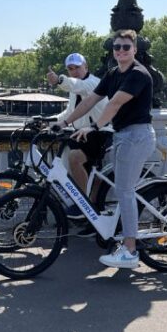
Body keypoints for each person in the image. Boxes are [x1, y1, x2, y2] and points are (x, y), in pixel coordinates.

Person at [55, 30, 156, 269]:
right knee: (119, 187)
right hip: (123, 135)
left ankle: (130, 251)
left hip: (137, 136)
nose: (121, 51)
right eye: (117, 47)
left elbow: (115, 103)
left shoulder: (138, 74)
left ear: (135, 50)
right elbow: (91, 99)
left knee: (125, 191)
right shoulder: (113, 73)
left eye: (125, 47)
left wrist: (94, 126)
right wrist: (64, 122)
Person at [46, 53, 112, 218]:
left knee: (75, 158)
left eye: (77, 67)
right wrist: (49, 122)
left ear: (86, 67)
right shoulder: (74, 89)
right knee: (78, 166)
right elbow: (70, 112)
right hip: (81, 135)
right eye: (70, 69)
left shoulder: (93, 83)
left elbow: (77, 85)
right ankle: (88, 207)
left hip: (99, 133)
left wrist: (60, 80)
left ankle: (81, 202)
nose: (74, 71)